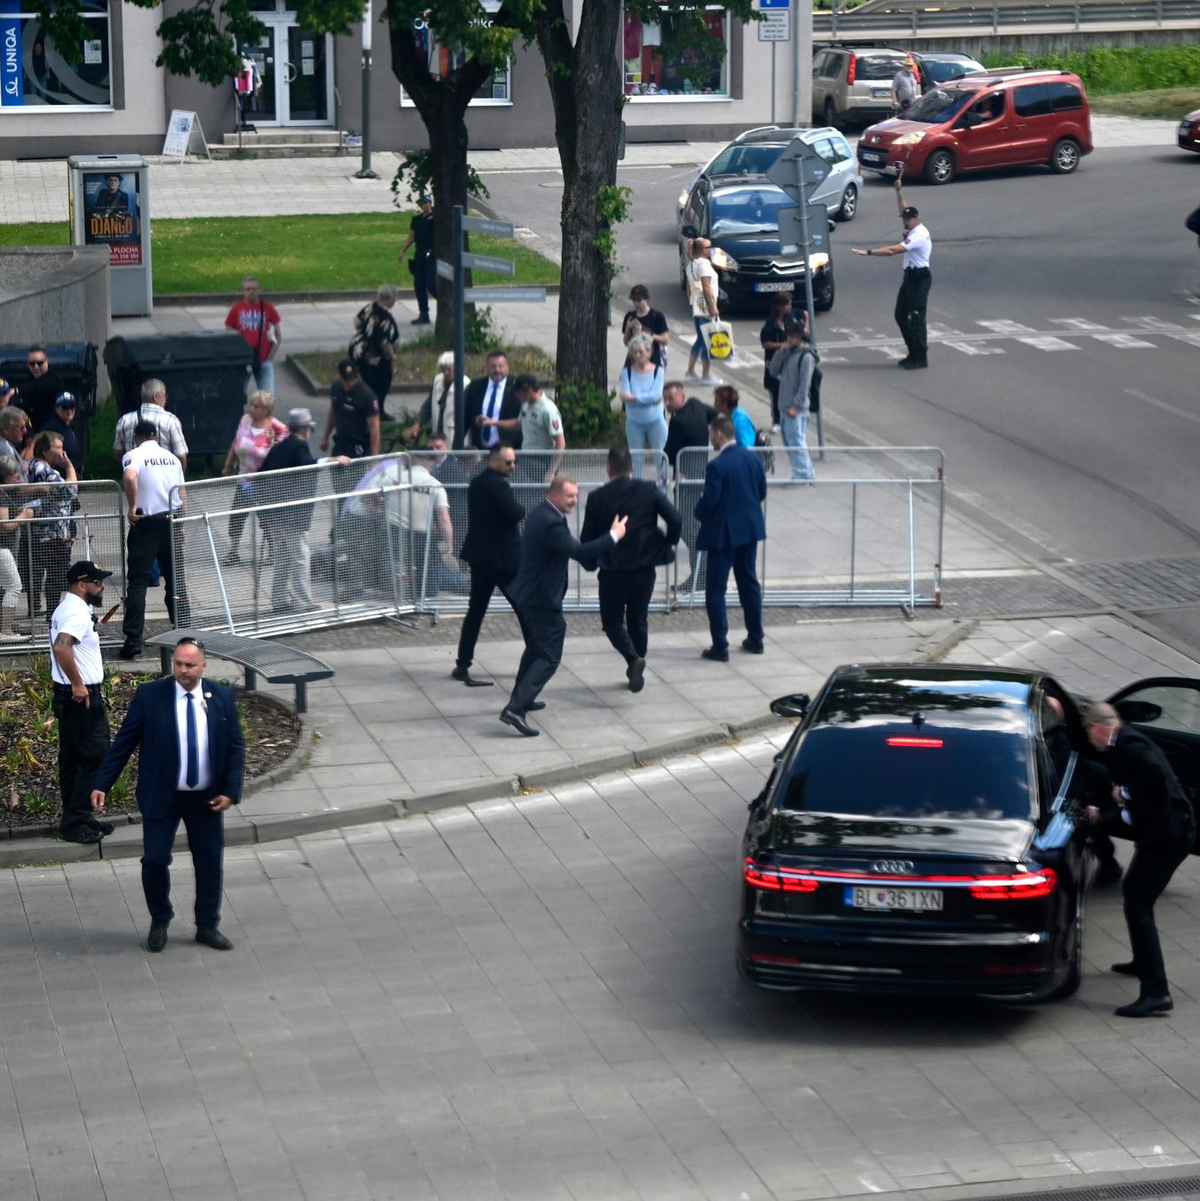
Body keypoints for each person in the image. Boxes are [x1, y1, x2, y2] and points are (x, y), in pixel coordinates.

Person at [91, 636, 246, 954]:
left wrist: (230, 791)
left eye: (190, 665)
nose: (183, 670)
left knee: (209, 862)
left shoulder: (221, 696)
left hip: (206, 798)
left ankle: (207, 925)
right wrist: (102, 783)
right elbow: (125, 742)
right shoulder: (151, 696)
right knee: (155, 860)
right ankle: (160, 918)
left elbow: (235, 747)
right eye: (178, 664)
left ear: (204, 665)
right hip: (163, 794)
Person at [1082, 702, 1195, 1017]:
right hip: (1158, 834)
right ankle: (1142, 962)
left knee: (1138, 905)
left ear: (1098, 727)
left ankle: (1156, 992)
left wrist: (1126, 793)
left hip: (1169, 837)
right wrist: (1103, 811)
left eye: (1089, 733)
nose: (1090, 740)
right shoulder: (1123, 743)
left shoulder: (1129, 745)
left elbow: (1155, 775)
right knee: (1134, 895)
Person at [501, 476, 627, 736]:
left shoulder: (544, 512)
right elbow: (579, 552)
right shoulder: (550, 523)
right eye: (570, 496)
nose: (575, 500)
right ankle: (515, 708)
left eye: (576, 495)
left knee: (536, 649)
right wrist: (613, 537)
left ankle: (522, 697)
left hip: (530, 595)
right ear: (555, 494)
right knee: (548, 655)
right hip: (541, 599)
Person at [580, 446, 681, 692]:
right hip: (644, 565)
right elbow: (675, 519)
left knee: (612, 621)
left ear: (608, 469)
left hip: (613, 568)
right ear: (633, 468)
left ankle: (632, 658)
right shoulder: (648, 490)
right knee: (638, 618)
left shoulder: (597, 497)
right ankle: (638, 662)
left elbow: (587, 538)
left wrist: (590, 561)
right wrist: (667, 542)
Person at [256, 408, 348, 612]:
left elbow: (260, 474)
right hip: (292, 515)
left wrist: (263, 511)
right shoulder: (299, 447)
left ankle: (279, 601)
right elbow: (308, 465)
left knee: (282, 558)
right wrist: (334, 459)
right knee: (299, 557)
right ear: (307, 430)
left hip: (273, 512)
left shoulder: (278, 447)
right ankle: (303, 602)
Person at [50, 561, 115, 844]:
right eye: (97, 582)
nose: (101, 586)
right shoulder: (75, 611)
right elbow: (62, 647)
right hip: (81, 695)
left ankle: (77, 815)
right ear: (81, 584)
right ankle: (74, 822)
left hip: (69, 695)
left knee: (74, 759)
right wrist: (78, 683)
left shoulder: (70, 608)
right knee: (97, 757)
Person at [695, 416, 767, 661]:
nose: (709, 440)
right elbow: (761, 491)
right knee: (749, 583)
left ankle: (720, 644)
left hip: (724, 534)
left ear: (718, 434)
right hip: (749, 530)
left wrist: (698, 510)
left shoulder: (717, 466)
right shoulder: (752, 458)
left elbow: (710, 500)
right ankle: (756, 637)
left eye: (710, 435)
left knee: (716, 589)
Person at [453, 442, 523, 687]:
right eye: (508, 462)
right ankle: (537, 654)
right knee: (522, 606)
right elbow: (514, 512)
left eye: (514, 461)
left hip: (481, 557)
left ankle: (463, 662)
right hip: (501, 560)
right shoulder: (497, 485)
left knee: (476, 610)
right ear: (493, 461)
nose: (513, 466)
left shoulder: (477, 481)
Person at [119, 420, 186, 660]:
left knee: (137, 583)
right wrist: (182, 523)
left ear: (136, 437)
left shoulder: (133, 455)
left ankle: (133, 641)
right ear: (155, 436)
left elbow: (129, 476)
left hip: (146, 523)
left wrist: (131, 507)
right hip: (171, 520)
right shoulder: (172, 458)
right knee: (176, 581)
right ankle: (184, 633)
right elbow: (182, 492)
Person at [852, 178, 933, 370]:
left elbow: (893, 251)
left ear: (915, 219)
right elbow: (904, 207)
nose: (904, 222)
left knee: (916, 317)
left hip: (919, 278)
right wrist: (898, 192)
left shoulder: (919, 235)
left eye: (906, 220)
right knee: (900, 315)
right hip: (910, 278)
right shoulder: (912, 225)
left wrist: (869, 252)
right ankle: (912, 351)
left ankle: (920, 355)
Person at [220, 390, 288, 565]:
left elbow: (285, 454)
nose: (252, 408)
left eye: (256, 406)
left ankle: (273, 553)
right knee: (236, 516)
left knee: (267, 518)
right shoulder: (246, 420)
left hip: (265, 483)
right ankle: (233, 551)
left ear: (266, 410)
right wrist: (229, 465)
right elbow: (237, 443)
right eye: (251, 404)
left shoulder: (277, 428)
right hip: (244, 480)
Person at [663, 382, 715, 595]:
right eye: (665, 399)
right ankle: (702, 573)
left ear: (681, 396)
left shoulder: (680, 422)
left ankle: (701, 575)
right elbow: (715, 414)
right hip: (699, 470)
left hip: (687, 475)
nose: (667, 403)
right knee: (692, 523)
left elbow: (670, 450)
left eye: (670, 399)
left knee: (686, 526)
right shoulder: (697, 405)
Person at [25, 429, 78, 618]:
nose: (63, 453)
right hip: (52, 530)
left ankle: (36, 608)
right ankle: (52, 611)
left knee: (37, 571)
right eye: (59, 448)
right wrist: (70, 467)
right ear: (46, 451)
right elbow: (70, 491)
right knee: (55, 572)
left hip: (39, 528)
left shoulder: (30, 465)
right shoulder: (46, 470)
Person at [768, 318, 817, 482]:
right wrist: (781, 351)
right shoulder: (788, 352)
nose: (789, 338)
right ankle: (804, 472)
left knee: (796, 442)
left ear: (801, 336)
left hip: (796, 409)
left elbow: (805, 385)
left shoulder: (806, 357)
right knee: (790, 442)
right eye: (788, 334)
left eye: (793, 335)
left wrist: (796, 406)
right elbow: (773, 371)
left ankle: (803, 474)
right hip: (785, 405)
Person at [113, 378, 189, 470]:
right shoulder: (171, 421)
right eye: (165, 396)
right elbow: (181, 455)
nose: (166, 399)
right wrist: (180, 477)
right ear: (156, 397)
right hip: (164, 480)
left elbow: (118, 452)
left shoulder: (125, 420)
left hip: (135, 479)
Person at [224, 275, 282, 395]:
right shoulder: (237, 308)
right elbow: (228, 334)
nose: (251, 291)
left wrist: (271, 356)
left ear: (259, 290)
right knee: (238, 395)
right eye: (248, 289)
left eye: (254, 289)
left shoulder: (267, 307)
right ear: (243, 291)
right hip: (243, 360)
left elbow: (277, 333)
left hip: (264, 359)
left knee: (267, 396)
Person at [349, 284, 400, 417]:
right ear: (389, 299)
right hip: (375, 356)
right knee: (382, 384)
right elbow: (384, 342)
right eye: (395, 298)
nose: (395, 301)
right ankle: (377, 411)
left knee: (367, 382)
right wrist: (392, 355)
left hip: (359, 351)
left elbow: (357, 321)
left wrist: (366, 333)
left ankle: (365, 409)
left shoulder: (370, 307)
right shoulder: (385, 317)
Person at [618, 334, 668, 459]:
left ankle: (662, 479)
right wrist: (648, 399)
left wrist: (633, 398)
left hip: (656, 420)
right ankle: (637, 479)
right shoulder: (627, 372)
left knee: (660, 456)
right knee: (636, 458)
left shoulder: (658, 371)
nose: (637, 355)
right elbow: (625, 397)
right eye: (634, 352)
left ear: (649, 352)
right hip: (634, 422)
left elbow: (656, 396)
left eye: (641, 352)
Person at [320, 359, 380, 460]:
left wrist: (374, 458)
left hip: (359, 445)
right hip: (341, 441)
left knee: (357, 474)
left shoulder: (367, 396)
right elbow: (333, 413)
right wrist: (325, 437)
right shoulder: (336, 388)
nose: (351, 382)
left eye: (353, 379)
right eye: (347, 379)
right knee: (336, 472)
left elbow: (375, 428)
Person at [0, 455, 32, 642]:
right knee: (14, 586)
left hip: (6, 549)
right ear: (5, 476)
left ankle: (6, 627)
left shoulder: (7, 493)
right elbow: (4, 524)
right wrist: (23, 515)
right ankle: (6, 631)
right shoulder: (1, 494)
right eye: (15, 475)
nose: (18, 478)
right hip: (2, 548)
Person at [463, 350, 521, 451]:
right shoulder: (476, 386)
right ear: (486, 368)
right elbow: (465, 416)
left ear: (507, 367)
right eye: (493, 366)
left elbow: (522, 420)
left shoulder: (516, 387)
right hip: (480, 449)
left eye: (501, 366)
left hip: (509, 450)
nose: (497, 370)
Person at [405, 351, 467, 446]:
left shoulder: (466, 385)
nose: (445, 373)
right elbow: (429, 404)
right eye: (443, 370)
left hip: (455, 436)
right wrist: (418, 422)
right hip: (438, 432)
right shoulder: (438, 380)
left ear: (457, 368)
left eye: (449, 370)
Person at [684, 237, 722, 386]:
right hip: (706, 306)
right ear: (702, 251)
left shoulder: (691, 264)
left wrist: (692, 301)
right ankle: (705, 375)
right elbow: (707, 286)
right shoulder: (705, 265)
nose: (711, 250)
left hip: (697, 305)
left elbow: (688, 288)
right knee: (707, 341)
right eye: (708, 248)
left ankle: (691, 370)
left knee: (700, 339)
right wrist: (713, 306)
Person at [398, 194, 436, 325]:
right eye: (421, 203)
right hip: (419, 253)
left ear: (430, 203)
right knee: (419, 285)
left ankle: (448, 305)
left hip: (430, 253)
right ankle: (423, 314)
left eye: (426, 203)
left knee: (432, 285)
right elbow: (411, 237)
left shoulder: (436, 219)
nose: (424, 206)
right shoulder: (417, 220)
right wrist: (403, 251)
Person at [760, 294, 794, 431]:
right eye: (787, 304)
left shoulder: (791, 321)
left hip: (789, 363)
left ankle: (788, 419)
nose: (790, 307)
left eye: (790, 304)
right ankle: (777, 422)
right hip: (774, 362)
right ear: (779, 307)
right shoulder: (770, 324)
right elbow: (765, 344)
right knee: (776, 394)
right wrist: (782, 345)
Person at [621, 284, 669, 369]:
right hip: (633, 360)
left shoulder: (656, 316)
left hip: (653, 360)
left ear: (646, 299)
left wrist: (645, 332)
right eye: (633, 300)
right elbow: (626, 342)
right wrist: (628, 328)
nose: (636, 303)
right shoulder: (630, 316)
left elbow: (665, 339)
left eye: (639, 300)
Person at [19, 346, 67, 431]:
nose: (36, 367)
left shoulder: (54, 378)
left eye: (40, 363)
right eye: (32, 364)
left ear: (47, 361)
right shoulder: (29, 379)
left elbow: (38, 386)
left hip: (54, 431)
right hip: (34, 429)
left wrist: (16, 391)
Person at [38, 391, 84, 475]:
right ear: (57, 408)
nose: (69, 410)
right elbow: (36, 446)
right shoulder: (50, 427)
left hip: (75, 473)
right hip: (61, 476)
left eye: (72, 406)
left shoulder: (70, 425)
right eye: (65, 407)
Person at [713, 385, 755, 449]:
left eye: (716, 400)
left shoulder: (739, 421)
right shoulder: (734, 415)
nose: (714, 404)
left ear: (725, 403)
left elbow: (745, 446)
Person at [0, 406, 30, 481]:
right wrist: (41, 488)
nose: (25, 431)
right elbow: (15, 486)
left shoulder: (8, 445)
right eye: (21, 427)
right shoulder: (3, 447)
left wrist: (21, 465)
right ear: (6, 429)